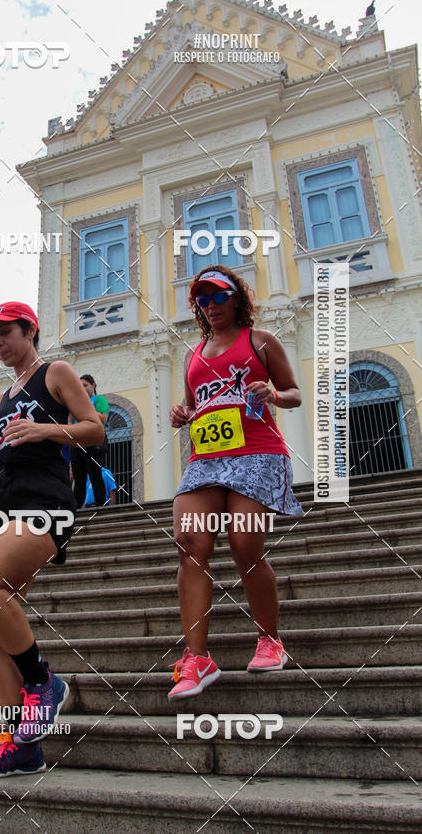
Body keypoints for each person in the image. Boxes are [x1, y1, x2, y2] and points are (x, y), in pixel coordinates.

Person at [0, 301, 104, 776]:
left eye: (6, 333)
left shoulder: (55, 372)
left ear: (30, 331)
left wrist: (42, 428)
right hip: (4, 506)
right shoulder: (6, 395)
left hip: (44, 504)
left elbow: (96, 430)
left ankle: (44, 682)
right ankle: (21, 745)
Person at [168, 266, 303, 700]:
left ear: (236, 298)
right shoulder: (194, 355)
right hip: (206, 459)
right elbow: (195, 407)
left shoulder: (260, 341)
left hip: (257, 451)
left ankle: (270, 639)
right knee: (190, 544)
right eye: (202, 301)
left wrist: (273, 395)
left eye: (218, 297)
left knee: (246, 545)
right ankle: (198, 657)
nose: (210, 306)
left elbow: (293, 392)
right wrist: (182, 415)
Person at [69, 374, 109, 508]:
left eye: (85, 385)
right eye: (80, 387)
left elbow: (103, 418)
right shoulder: (75, 403)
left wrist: (86, 409)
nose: (83, 389)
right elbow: (70, 421)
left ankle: (100, 506)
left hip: (93, 440)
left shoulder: (99, 399)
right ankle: (76, 509)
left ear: (93, 385)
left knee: (95, 474)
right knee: (79, 478)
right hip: (77, 441)